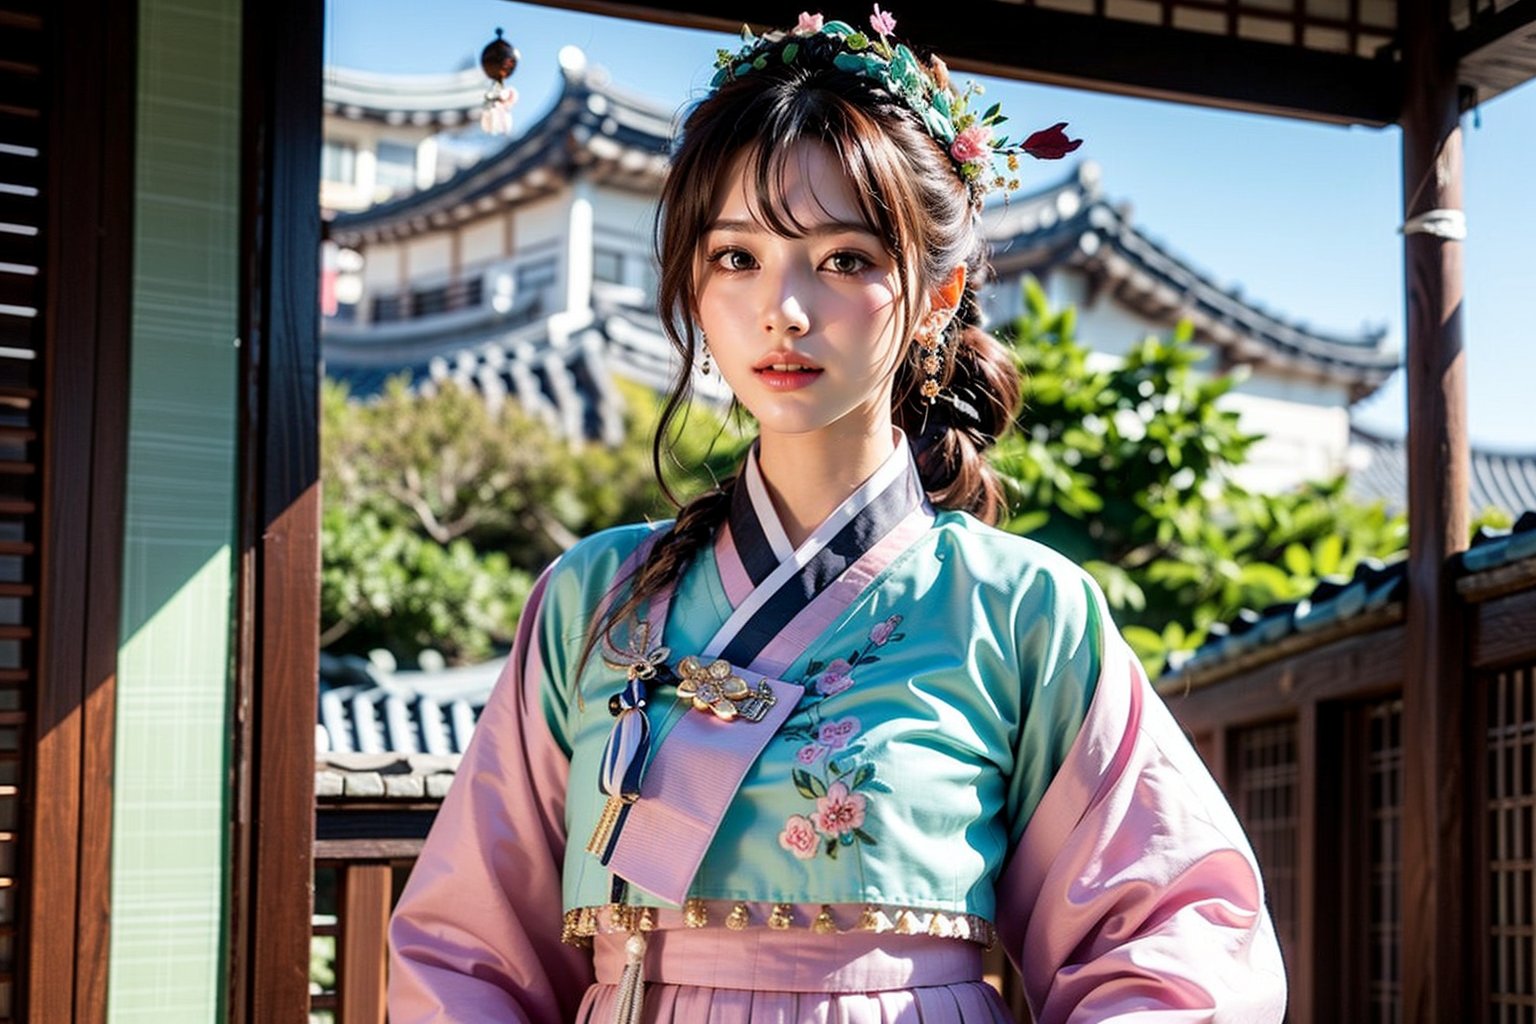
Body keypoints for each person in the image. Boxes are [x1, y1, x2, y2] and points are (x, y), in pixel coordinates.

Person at [388, 10, 1287, 1023]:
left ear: (938, 291)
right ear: (692, 276)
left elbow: (1171, 936)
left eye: (846, 258)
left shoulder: (1024, 611)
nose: (786, 311)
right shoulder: (591, 602)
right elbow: (466, 955)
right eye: (737, 257)